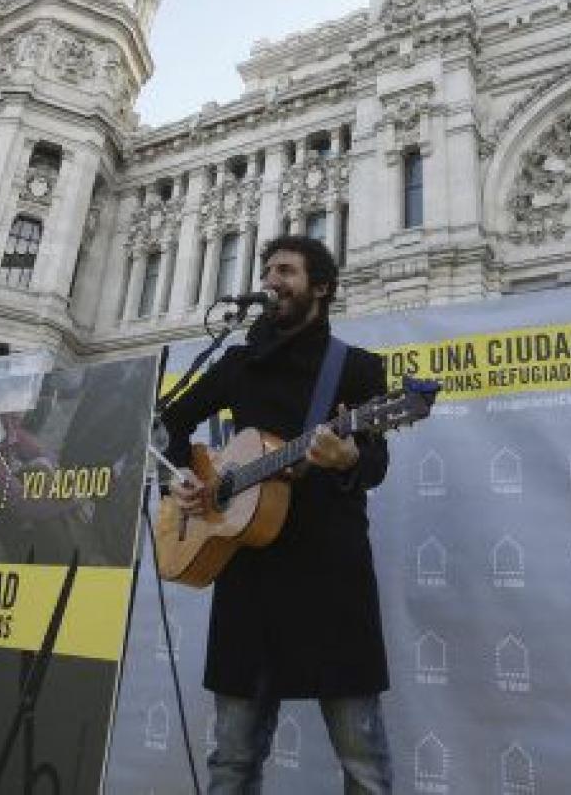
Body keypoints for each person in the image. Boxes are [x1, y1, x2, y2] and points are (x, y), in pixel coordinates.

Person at [161, 235, 392, 794]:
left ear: (322, 287)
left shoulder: (357, 369)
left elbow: (376, 463)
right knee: (233, 761)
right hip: (248, 576)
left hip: (332, 576)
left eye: (286, 271)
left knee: (363, 761)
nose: (271, 280)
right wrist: (185, 478)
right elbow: (169, 424)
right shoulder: (239, 362)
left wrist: (349, 457)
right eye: (267, 271)